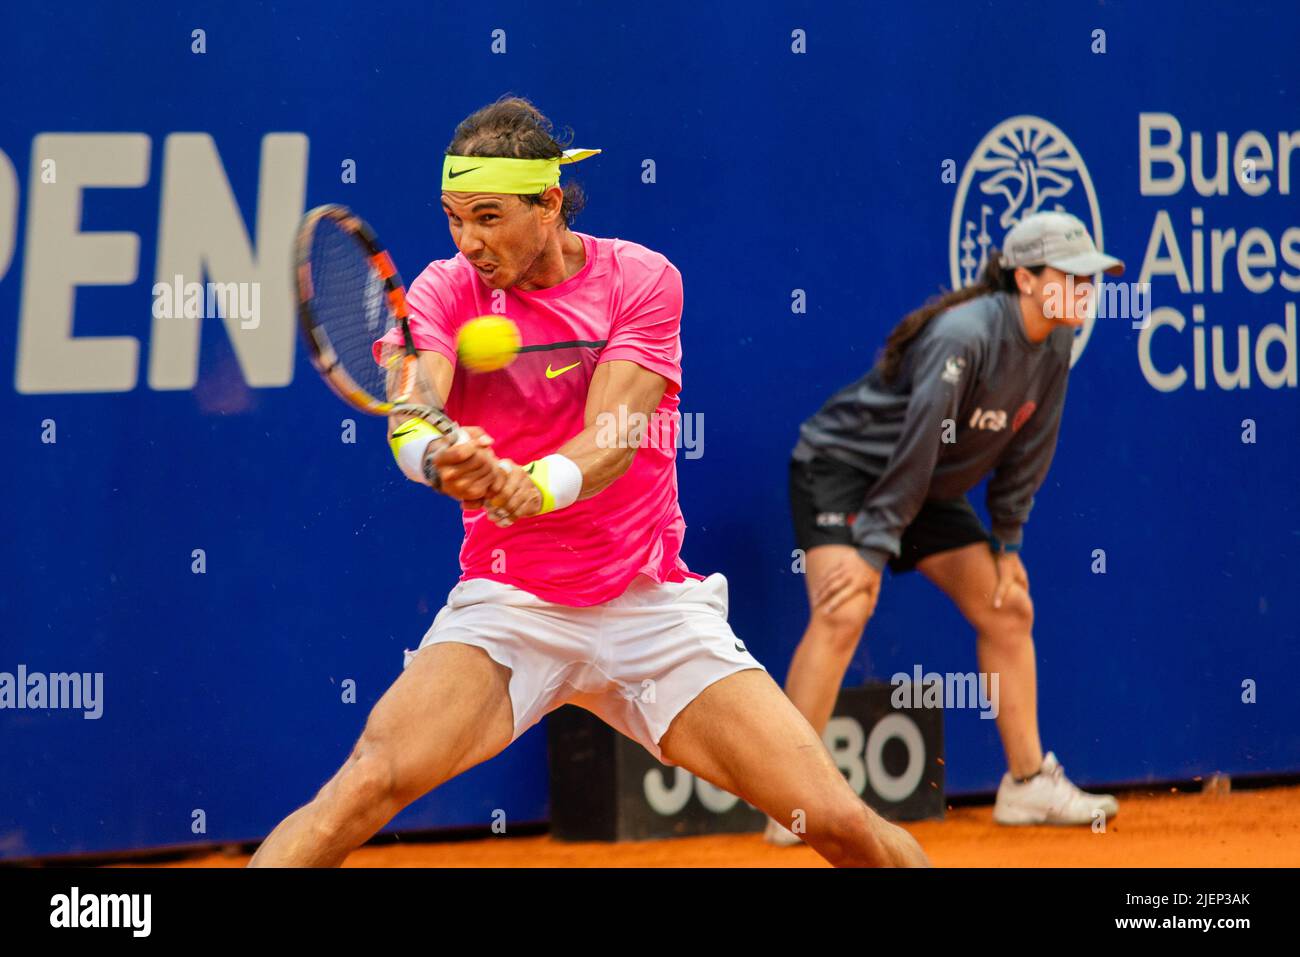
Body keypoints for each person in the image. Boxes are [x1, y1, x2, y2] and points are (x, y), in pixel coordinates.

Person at [250, 96, 928, 868]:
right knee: (363, 786)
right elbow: (413, 414)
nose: (467, 241)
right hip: (512, 604)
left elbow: (611, 439)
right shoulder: (441, 291)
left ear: (548, 203)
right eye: (452, 218)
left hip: (650, 606)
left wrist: (527, 485)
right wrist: (445, 461)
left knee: (838, 820)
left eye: (487, 216)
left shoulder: (642, 282)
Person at [769, 211, 1123, 844]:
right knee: (845, 609)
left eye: (1091, 278)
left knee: (1008, 608)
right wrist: (874, 546)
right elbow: (920, 441)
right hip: (846, 470)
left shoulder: (1059, 343)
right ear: (1025, 279)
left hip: (923, 486)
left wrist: (1008, 540)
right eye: (1071, 276)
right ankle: (792, 803)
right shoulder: (964, 335)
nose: (1087, 289)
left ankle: (1027, 785)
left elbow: (1028, 445)